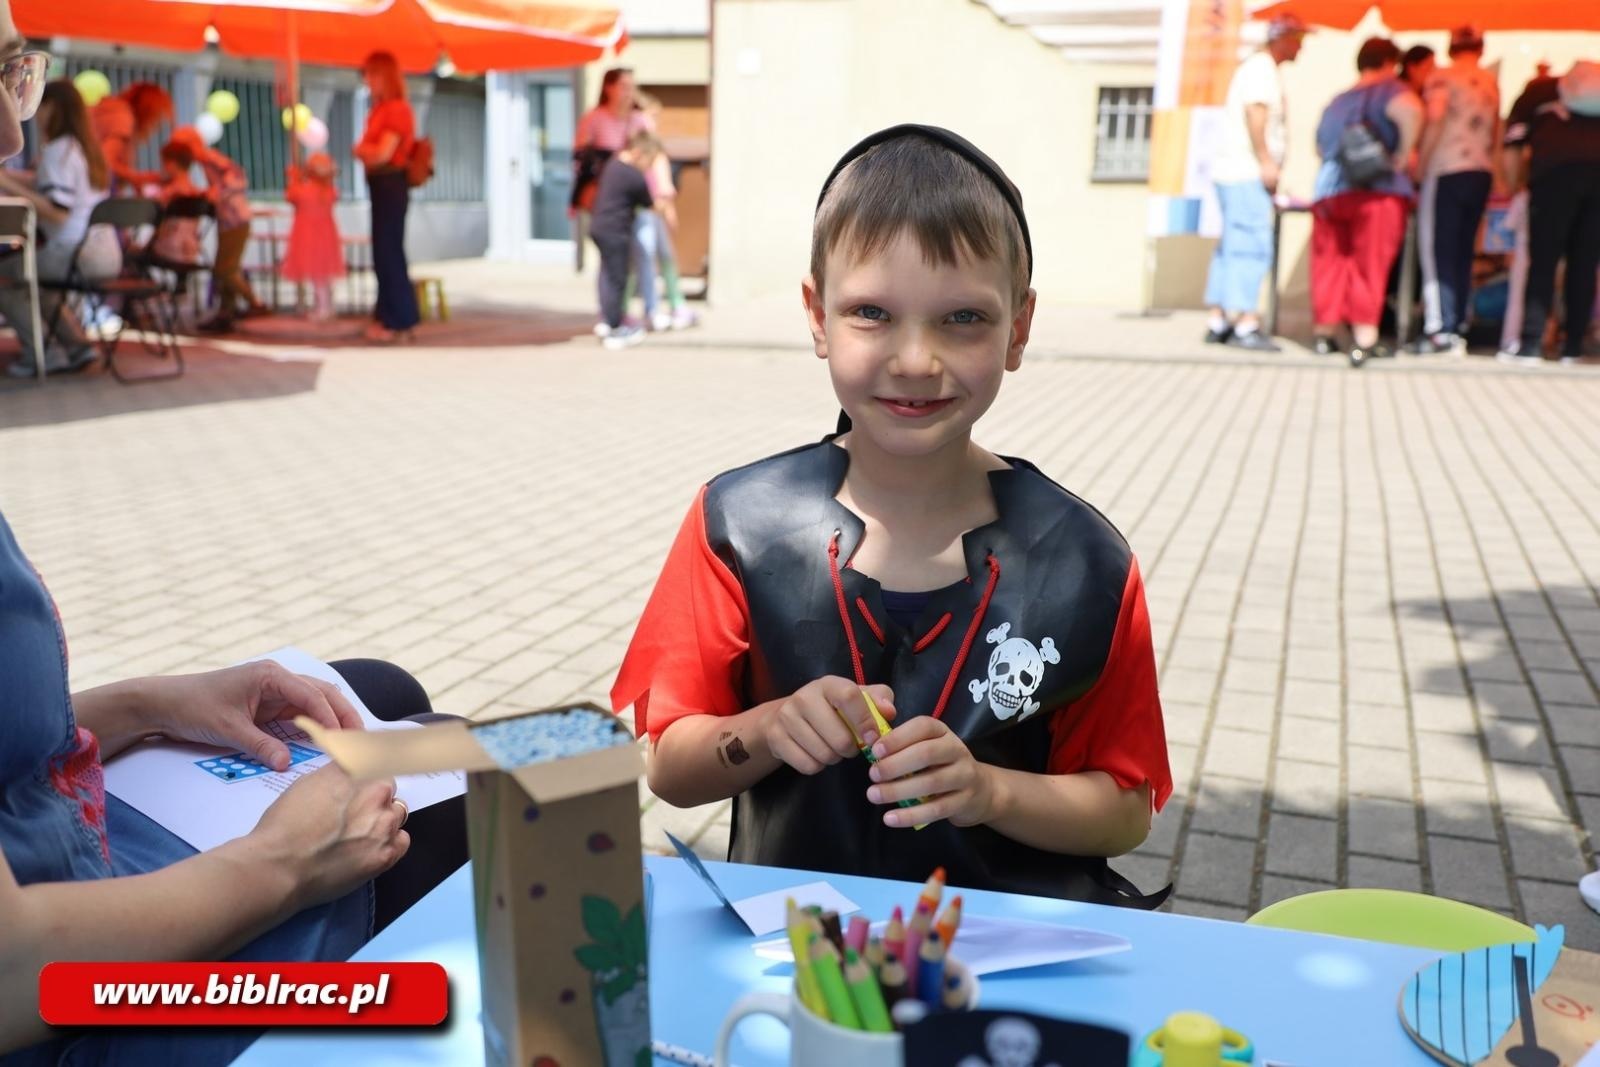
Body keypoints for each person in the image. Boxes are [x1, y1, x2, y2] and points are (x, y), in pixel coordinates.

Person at [0, 20, 463, 1067]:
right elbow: (12, 982)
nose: (10, 136)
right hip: (67, 992)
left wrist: (145, 701)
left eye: (12, 73)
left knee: (370, 690)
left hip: (55, 845)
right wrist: (277, 865)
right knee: (453, 787)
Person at [613, 126, 1172, 905]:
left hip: (1008, 953)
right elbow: (670, 765)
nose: (916, 359)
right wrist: (771, 728)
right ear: (817, 315)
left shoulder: (1084, 561)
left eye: (963, 319)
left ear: (1019, 325)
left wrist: (991, 791)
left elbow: (1124, 808)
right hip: (802, 955)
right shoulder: (737, 523)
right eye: (872, 312)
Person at [1309, 37, 1423, 364]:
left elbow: (1318, 146)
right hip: (1378, 190)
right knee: (1368, 264)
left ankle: (1325, 333)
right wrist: (1403, 154)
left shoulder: (1337, 101)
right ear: (1389, 63)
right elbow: (1411, 113)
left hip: (1330, 191)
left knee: (1329, 262)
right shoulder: (1392, 91)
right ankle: (1364, 337)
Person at [1202, 14, 1308, 352]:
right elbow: (1256, 114)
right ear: (1283, 38)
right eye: (1298, 38)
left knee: (1231, 245)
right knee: (1251, 245)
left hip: (1232, 172)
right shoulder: (1262, 70)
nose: (1302, 45)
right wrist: (1266, 161)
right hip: (1246, 172)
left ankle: (1218, 319)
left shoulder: (1255, 67)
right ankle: (1246, 322)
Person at [0, 78, 117, 378]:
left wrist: (5, 183)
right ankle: (78, 348)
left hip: (75, 253)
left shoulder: (57, 151)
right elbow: (42, 183)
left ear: (53, 108)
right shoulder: (83, 149)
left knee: (7, 277)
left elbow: (56, 211)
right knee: (41, 287)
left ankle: (43, 354)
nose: (36, 115)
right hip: (107, 252)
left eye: (41, 106)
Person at [1499, 60, 1600, 364]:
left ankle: (1531, 343)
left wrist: (1514, 184)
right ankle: (1573, 347)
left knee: (1542, 262)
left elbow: (1512, 144)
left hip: (1552, 180)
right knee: (1584, 264)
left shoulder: (1537, 92)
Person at [1410, 27, 1499, 355]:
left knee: (1438, 251)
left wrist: (1420, 166)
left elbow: (1434, 119)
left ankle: (1440, 329)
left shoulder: (1442, 77)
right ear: (1480, 47)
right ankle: (1459, 321)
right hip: (1481, 170)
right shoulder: (1489, 81)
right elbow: (1497, 132)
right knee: (1464, 251)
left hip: (1446, 169)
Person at [168, 126, 267, 332]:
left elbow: (237, 177)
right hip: (228, 220)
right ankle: (226, 312)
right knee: (225, 267)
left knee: (225, 269)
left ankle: (256, 303)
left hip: (235, 219)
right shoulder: (204, 162)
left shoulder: (210, 157)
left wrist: (216, 192)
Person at [353, 50, 419, 343]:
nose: (366, 80)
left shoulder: (396, 109)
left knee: (389, 252)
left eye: (370, 74)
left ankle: (399, 319)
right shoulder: (379, 109)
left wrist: (362, 151)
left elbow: (381, 153)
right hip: (380, 185)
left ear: (383, 76)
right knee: (383, 252)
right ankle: (387, 316)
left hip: (390, 183)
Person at [629, 92, 699, 333]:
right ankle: (647, 309)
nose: (655, 121)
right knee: (644, 259)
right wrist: (667, 208)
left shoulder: (651, 143)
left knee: (664, 258)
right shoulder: (642, 143)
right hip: (648, 208)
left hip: (655, 208)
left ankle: (675, 304)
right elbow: (658, 180)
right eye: (653, 116)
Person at [590, 130, 666, 350]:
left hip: (600, 227)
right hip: (615, 231)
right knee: (617, 279)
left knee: (607, 276)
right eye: (648, 161)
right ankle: (614, 330)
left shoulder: (613, 166)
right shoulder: (633, 175)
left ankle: (606, 321)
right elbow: (651, 204)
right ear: (639, 152)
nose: (647, 167)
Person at [282, 152, 346, 322]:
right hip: (326, 237)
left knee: (318, 277)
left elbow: (290, 196)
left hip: (309, 238)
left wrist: (294, 178)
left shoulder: (304, 190)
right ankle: (326, 306)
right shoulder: (330, 191)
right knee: (323, 276)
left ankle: (323, 308)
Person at [90, 81, 172, 194]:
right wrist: (139, 178)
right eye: (156, 117)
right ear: (147, 109)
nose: (154, 125)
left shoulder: (115, 112)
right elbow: (106, 161)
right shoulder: (122, 117)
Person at [149, 140, 202, 267]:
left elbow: (151, 211)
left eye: (163, 163)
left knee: (132, 254)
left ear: (172, 164)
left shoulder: (171, 191)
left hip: (168, 249)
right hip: (192, 250)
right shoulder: (196, 192)